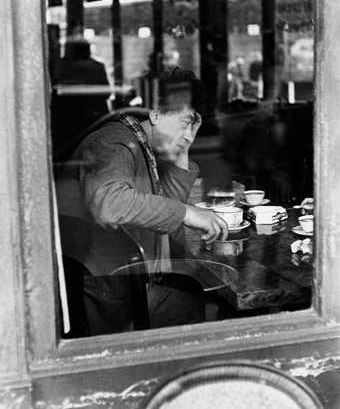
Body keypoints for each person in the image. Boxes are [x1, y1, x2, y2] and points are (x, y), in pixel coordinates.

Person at [56, 70, 228, 336]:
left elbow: (166, 214)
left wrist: (183, 147)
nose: (189, 134)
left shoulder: (140, 142)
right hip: (104, 297)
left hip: (124, 284)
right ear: (156, 115)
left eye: (194, 125)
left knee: (189, 290)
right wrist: (186, 213)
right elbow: (109, 205)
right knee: (191, 296)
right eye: (184, 123)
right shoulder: (115, 142)